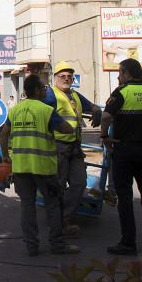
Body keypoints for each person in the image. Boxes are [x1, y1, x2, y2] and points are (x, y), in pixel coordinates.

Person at [0, 74, 80, 257]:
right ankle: (57, 245)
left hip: (21, 169)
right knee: (53, 205)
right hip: (44, 168)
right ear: (36, 90)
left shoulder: (15, 111)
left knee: (27, 206)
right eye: (43, 88)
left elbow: (4, 134)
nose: (45, 90)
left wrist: (5, 157)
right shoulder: (46, 110)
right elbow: (66, 129)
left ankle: (31, 246)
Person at [101, 58, 142, 255]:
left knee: (125, 196)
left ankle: (128, 242)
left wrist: (104, 136)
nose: (118, 76)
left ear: (127, 74)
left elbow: (106, 116)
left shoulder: (122, 92)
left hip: (125, 150)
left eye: (120, 73)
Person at [43, 61, 100, 237]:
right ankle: (60, 222)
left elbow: (91, 106)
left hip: (74, 147)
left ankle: (63, 216)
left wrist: (96, 110)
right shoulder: (51, 95)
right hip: (58, 147)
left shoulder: (74, 95)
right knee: (58, 186)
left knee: (79, 182)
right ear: (55, 78)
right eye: (63, 76)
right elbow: (45, 116)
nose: (66, 79)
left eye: (69, 76)